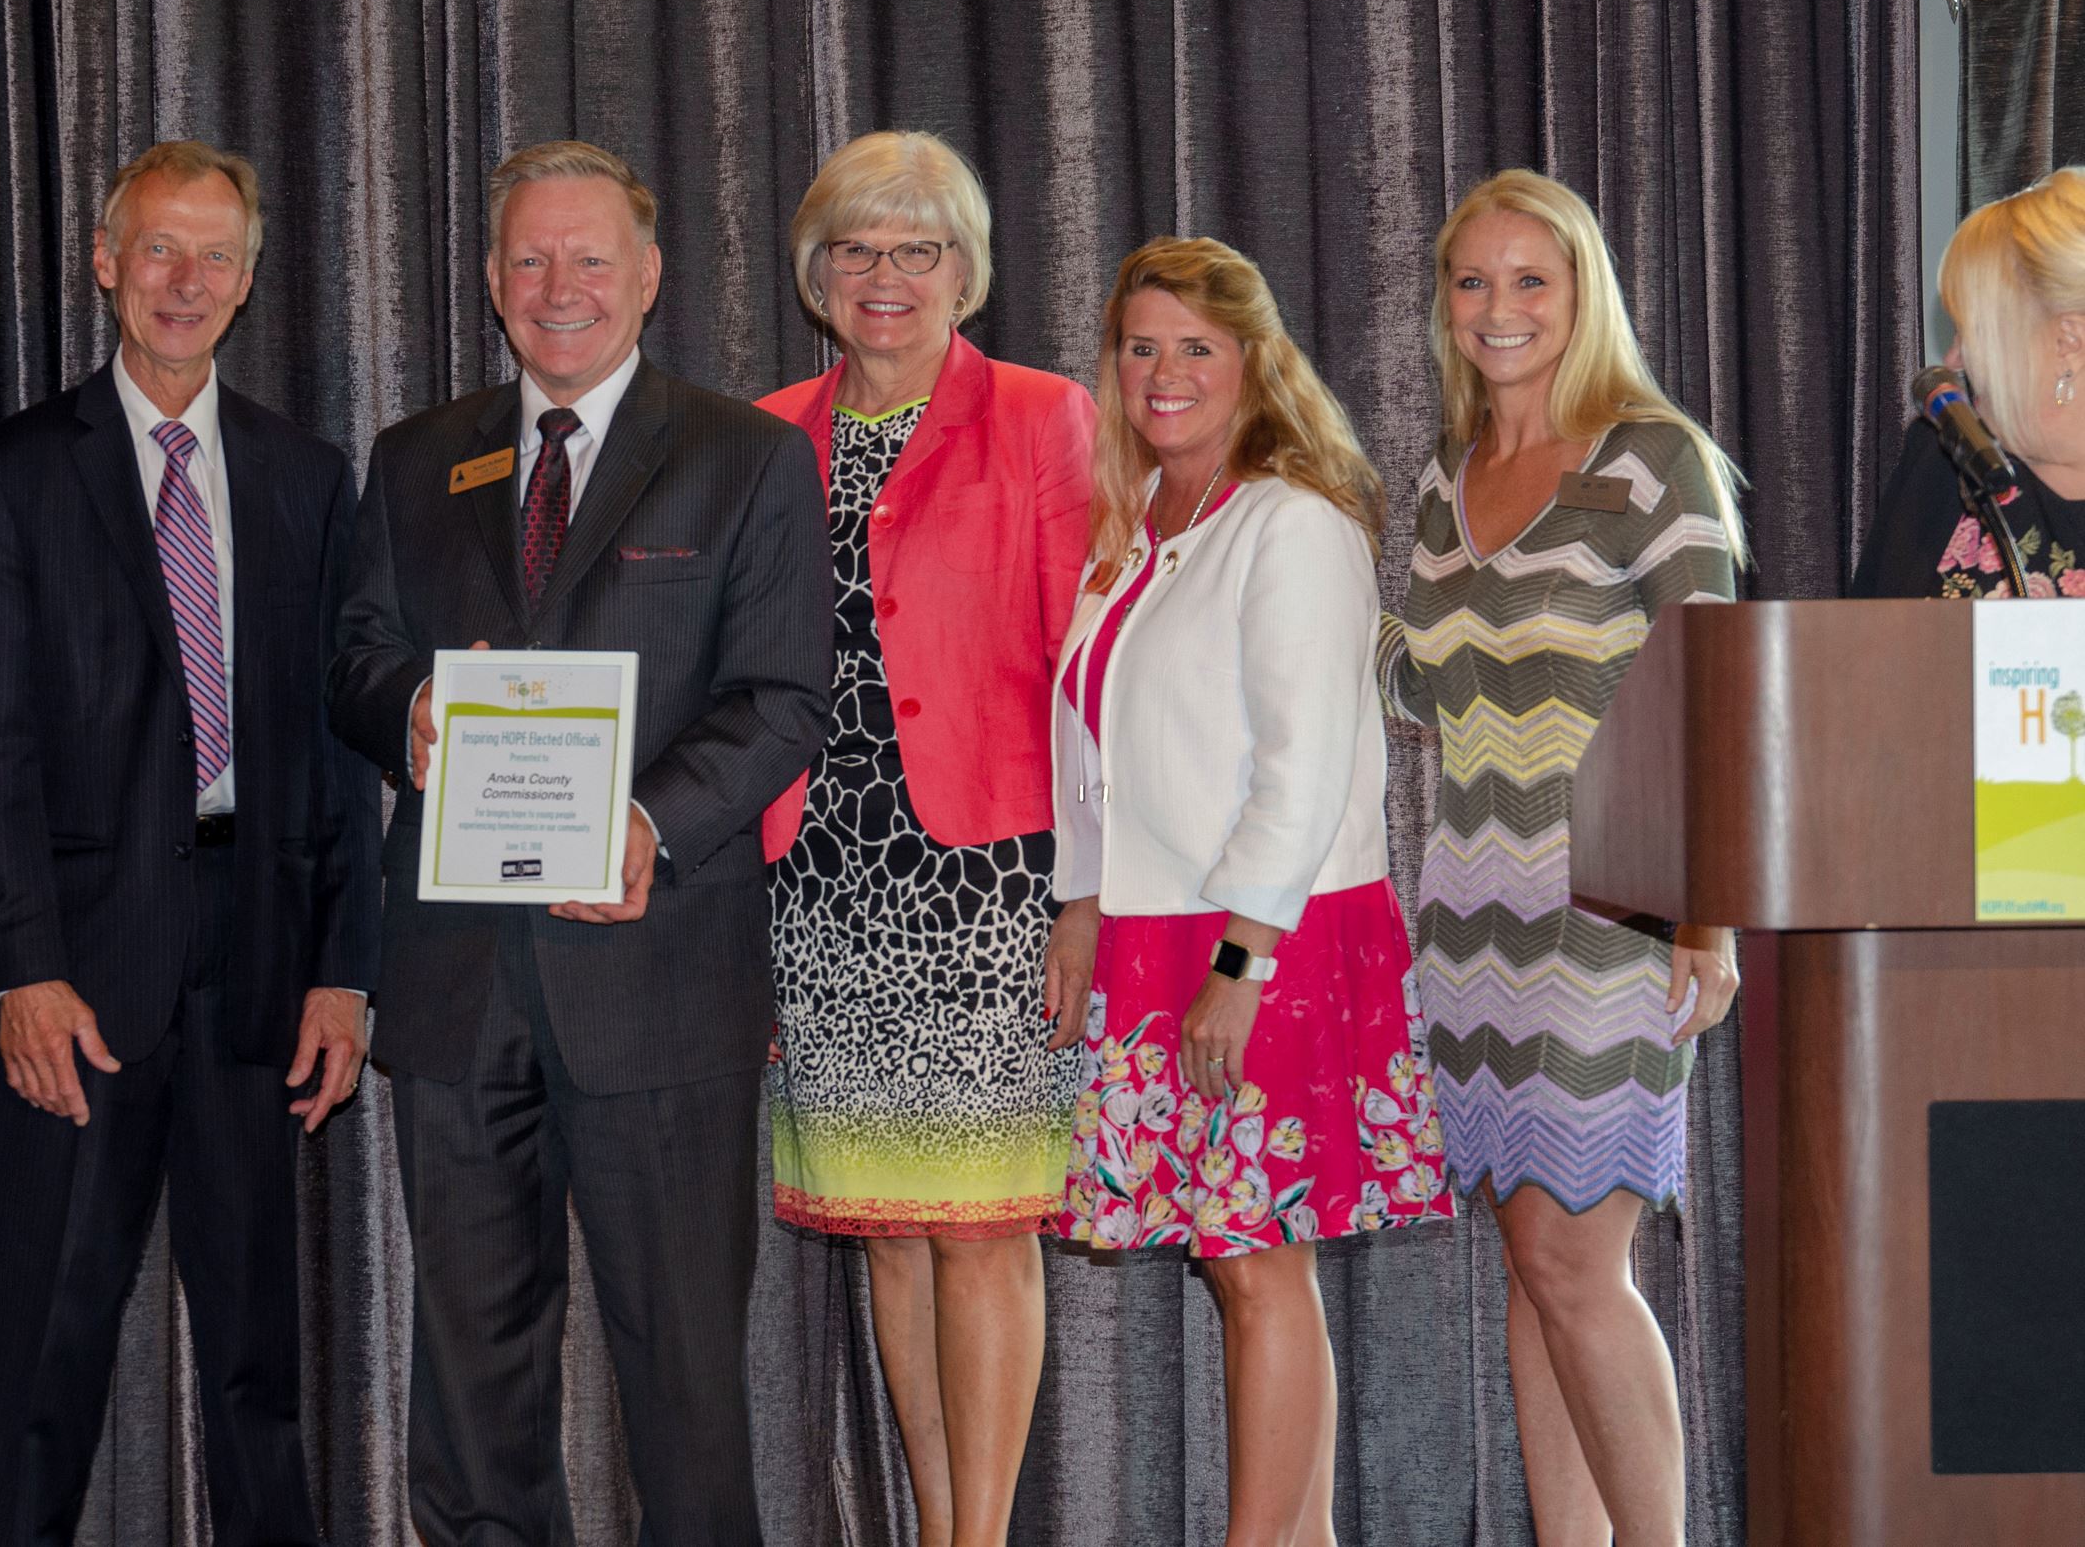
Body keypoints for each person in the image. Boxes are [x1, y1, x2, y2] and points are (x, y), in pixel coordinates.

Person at [327, 139, 831, 1542]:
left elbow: (785, 697)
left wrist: (649, 822)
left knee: (683, 1381)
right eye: (532, 259)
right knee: (471, 1382)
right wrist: (412, 704)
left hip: (659, 977)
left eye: (591, 257)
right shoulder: (415, 457)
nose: (562, 287)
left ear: (650, 275)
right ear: (491, 282)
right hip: (455, 979)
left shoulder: (747, 458)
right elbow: (355, 656)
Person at [0, 140, 380, 1547]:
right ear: (104, 261)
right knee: (47, 1352)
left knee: (260, 1357)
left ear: (249, 280)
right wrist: (22, 965)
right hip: (82, 970)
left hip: (259, 956)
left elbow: (334, 750)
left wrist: (342, 969)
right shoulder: (10, 473)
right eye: (158, 249)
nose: (183, 280)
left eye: (213, 256)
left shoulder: (309, 479)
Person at [1050, 236, 1453, 1547]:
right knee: (1241, 1265)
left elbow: (1307, 762)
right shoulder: (1137, 529)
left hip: (1259, 939)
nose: (1163, 374)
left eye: (1196, 348)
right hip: (1155, 933)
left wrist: (1239, 964)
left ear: (1254, 364)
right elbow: (1093, 738)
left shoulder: (1294, 522)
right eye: (1141, 346)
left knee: (1257, 1261)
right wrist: (1078, 897)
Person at [1377, 169, 1744, 1547]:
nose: (1500, 307)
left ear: (1583, 293)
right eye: (1474, 280)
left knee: (1579, 1261)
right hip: (1470, 923)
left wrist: (1706, 921)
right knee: (1533, 1267)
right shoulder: (1441, 480)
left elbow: (1718, 695)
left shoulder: (1653, 457)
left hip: (1620, 910)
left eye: (1533, 278)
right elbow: (1407, 688)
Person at [754, 130, 1093, 1546]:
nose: (883, 277)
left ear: (968, 268)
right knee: (889, 1231)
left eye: (917, 249)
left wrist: (1091, 890)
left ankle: (984, 1534)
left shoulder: (1046, 416)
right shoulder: (764, 432)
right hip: (821, 883)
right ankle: (936, 1524)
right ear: (814, 275)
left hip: (993, 880)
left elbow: (1094, 667)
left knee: (983, 1227)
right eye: (854, 249)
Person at [1854, 166, 2085, 598]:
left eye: (1972, 330)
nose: (1953, 357)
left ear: (2067, 340)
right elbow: (1860, 651)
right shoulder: (1945, 453)